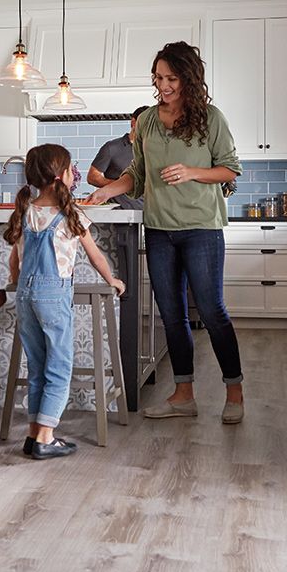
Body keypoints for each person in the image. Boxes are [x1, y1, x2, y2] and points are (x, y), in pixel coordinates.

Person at [86, 42, 244, 424]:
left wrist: (192, 172)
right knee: (171, 314)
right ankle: (183, 394)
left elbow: (230, 170)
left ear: (188, 78)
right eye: (158, 78)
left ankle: (234, 392)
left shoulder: (211, 118)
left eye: (171, 78)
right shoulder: (148, 123)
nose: (164, 85)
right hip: (159, 229)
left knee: (211, 310)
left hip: (201, 229)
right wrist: (109, 189)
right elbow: (137, 176)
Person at [4, 143, 126, 460]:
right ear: (61, 175)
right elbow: (95, 255)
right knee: (59, 367)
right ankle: (46, 437)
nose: (75, 174)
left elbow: (14, 261)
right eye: (72, 169)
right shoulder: (70, 215)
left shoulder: (26, 211)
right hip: (53, 295)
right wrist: (111, 280)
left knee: (38, 367)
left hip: (25, 296)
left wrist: (16, 283)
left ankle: (34, 434)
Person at [87, 105, 150, 209]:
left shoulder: (152, 150)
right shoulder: (112, 148)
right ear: (133, 122)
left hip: (144, 213)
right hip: (117, 214)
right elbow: (92, 177)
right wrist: (120, 186)